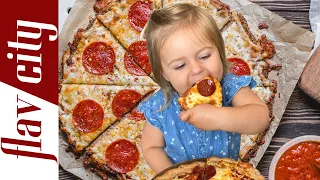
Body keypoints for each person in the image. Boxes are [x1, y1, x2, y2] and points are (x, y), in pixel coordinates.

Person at [138, 3, 269, 174]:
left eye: (205, 56)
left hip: (228, 175)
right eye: (180, 65)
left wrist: (218, 117)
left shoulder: (229, 87)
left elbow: (261, 117)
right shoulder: (160, 107)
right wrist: (175, 175)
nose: (196, 69)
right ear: (165, 74)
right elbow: (151, 147)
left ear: (219, 50)